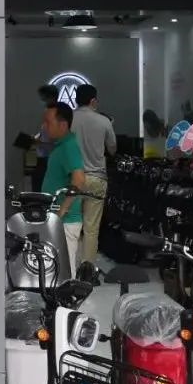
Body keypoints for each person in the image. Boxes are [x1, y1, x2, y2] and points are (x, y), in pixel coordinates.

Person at [72, 83, 116, 264]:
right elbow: (112, 149)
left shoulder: (68, 120)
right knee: (91, 228)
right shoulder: (104, 121)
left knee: (71, 226)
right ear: (93, 101)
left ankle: (69, 267)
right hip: (97, 178)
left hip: (73, 179)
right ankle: (87, 269)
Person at [41, 101, 85, 271]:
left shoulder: (69, 146)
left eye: (48, 122)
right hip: (58, 220)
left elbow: (78, 179)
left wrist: (61, 211)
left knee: (65, 273)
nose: (44, 126)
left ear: (63, 125)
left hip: (65, 222)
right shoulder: (61, 145)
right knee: (56, 270)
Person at [32, 85, 58, 191]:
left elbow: (54, 142)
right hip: (43, 160)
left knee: (41, 191)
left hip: (48, 161)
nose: (42, 101)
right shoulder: (48, 113)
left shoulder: (55, 115)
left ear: (50, 97)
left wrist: (39, 142)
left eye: (43, 98)